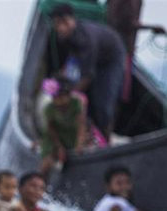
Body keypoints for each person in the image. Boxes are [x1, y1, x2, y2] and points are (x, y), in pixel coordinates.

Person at [50, 3, 126, 139]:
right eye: (57, 24)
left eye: (65, 22)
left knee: (102, 103)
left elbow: (87, 76)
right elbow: (73, 58)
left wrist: (69, 95)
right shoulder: (64, 36)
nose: (61, 28)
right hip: (87, 59)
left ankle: (106, 138)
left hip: (111, 58)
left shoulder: (86, 40)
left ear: (72, 20)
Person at [106, 0, 166, 100]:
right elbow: (125, 23)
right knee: (117, 91)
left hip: (121, 48)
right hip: (120, 49)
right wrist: (152, 27)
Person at [39, 78, 87, 179]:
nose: (59, 101)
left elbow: (81, 125)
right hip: (55, 139)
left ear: (69, 95)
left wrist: (79, 144)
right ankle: (42, 182)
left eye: (61, 97)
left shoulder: (76, 103)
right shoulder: (49, 109)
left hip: (72, 135)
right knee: (47, 163)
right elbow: (51, 130)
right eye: (55, 98)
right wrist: (59, 147)